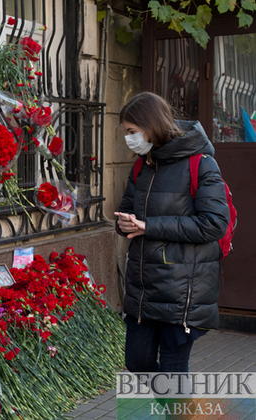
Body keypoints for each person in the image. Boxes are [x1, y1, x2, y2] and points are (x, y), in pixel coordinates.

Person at [114, 92, 230, 373]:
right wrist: (125, 223)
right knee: (137, 363)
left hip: (182, 293)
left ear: (150, 125)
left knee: (173, 371)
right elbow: (126, 211)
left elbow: (214, 224)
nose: (129, 138)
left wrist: (149, 226)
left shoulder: (201, 163)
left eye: (132, 131)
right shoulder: (142, 165)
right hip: (144, 291)